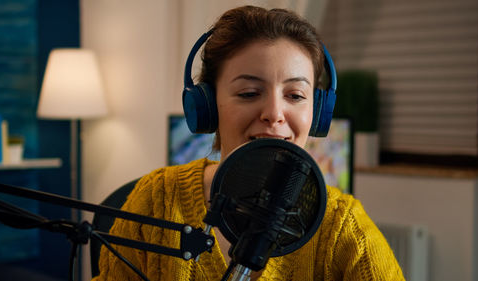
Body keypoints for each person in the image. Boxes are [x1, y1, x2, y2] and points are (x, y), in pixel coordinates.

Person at [93, 5, 405, 281]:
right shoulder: (156, 200)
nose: (273, 113)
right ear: (209, 106)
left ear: (317, 114)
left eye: (295, 95)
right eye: (248, 93)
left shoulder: (343, 228)